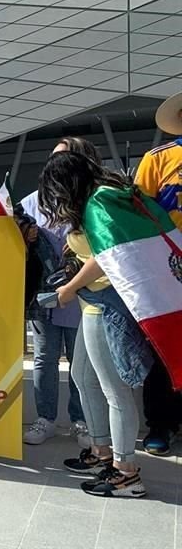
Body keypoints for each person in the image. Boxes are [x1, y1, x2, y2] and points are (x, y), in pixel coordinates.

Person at [39, 153, 155, 498]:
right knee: (84, 378)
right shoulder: (103, 195)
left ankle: (126, 472)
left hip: (107, 304)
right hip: (97, 303)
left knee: (114, 392)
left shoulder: (99, 201)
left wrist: (68, 289)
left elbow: (104, 255)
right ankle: (103, 452)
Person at [19, 139, 98, 447]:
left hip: (82, 293)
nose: (56, 164)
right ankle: (45, 419)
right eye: (53, 158)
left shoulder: (92, 199)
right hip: (44, 296)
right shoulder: (31, 202)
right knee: (44, 358)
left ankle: (80, 420)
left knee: (81, 359)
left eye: (64, 158)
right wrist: (24, 235)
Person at [134, 92, 182, 456]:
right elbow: (136, 213)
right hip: (167, 269)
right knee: (163, 350)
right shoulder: (159, 159)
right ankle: (160, 425)